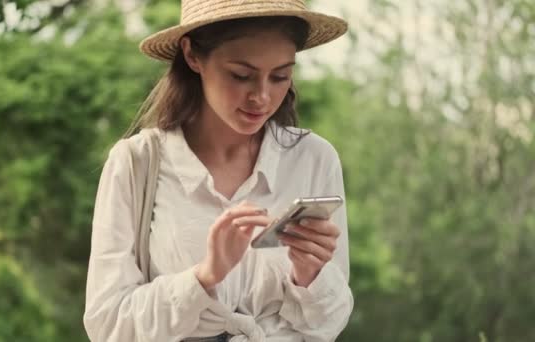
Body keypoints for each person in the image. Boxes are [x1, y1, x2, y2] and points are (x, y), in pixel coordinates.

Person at [83, 1, 353, 341]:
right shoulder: (136, 163)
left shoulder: (314, 159)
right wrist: (204, 277)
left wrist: (310, 275)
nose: (262, 96)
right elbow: (108, 325)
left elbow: (329, 323)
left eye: (281, 76)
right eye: (241, 75)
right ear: (193, 55)